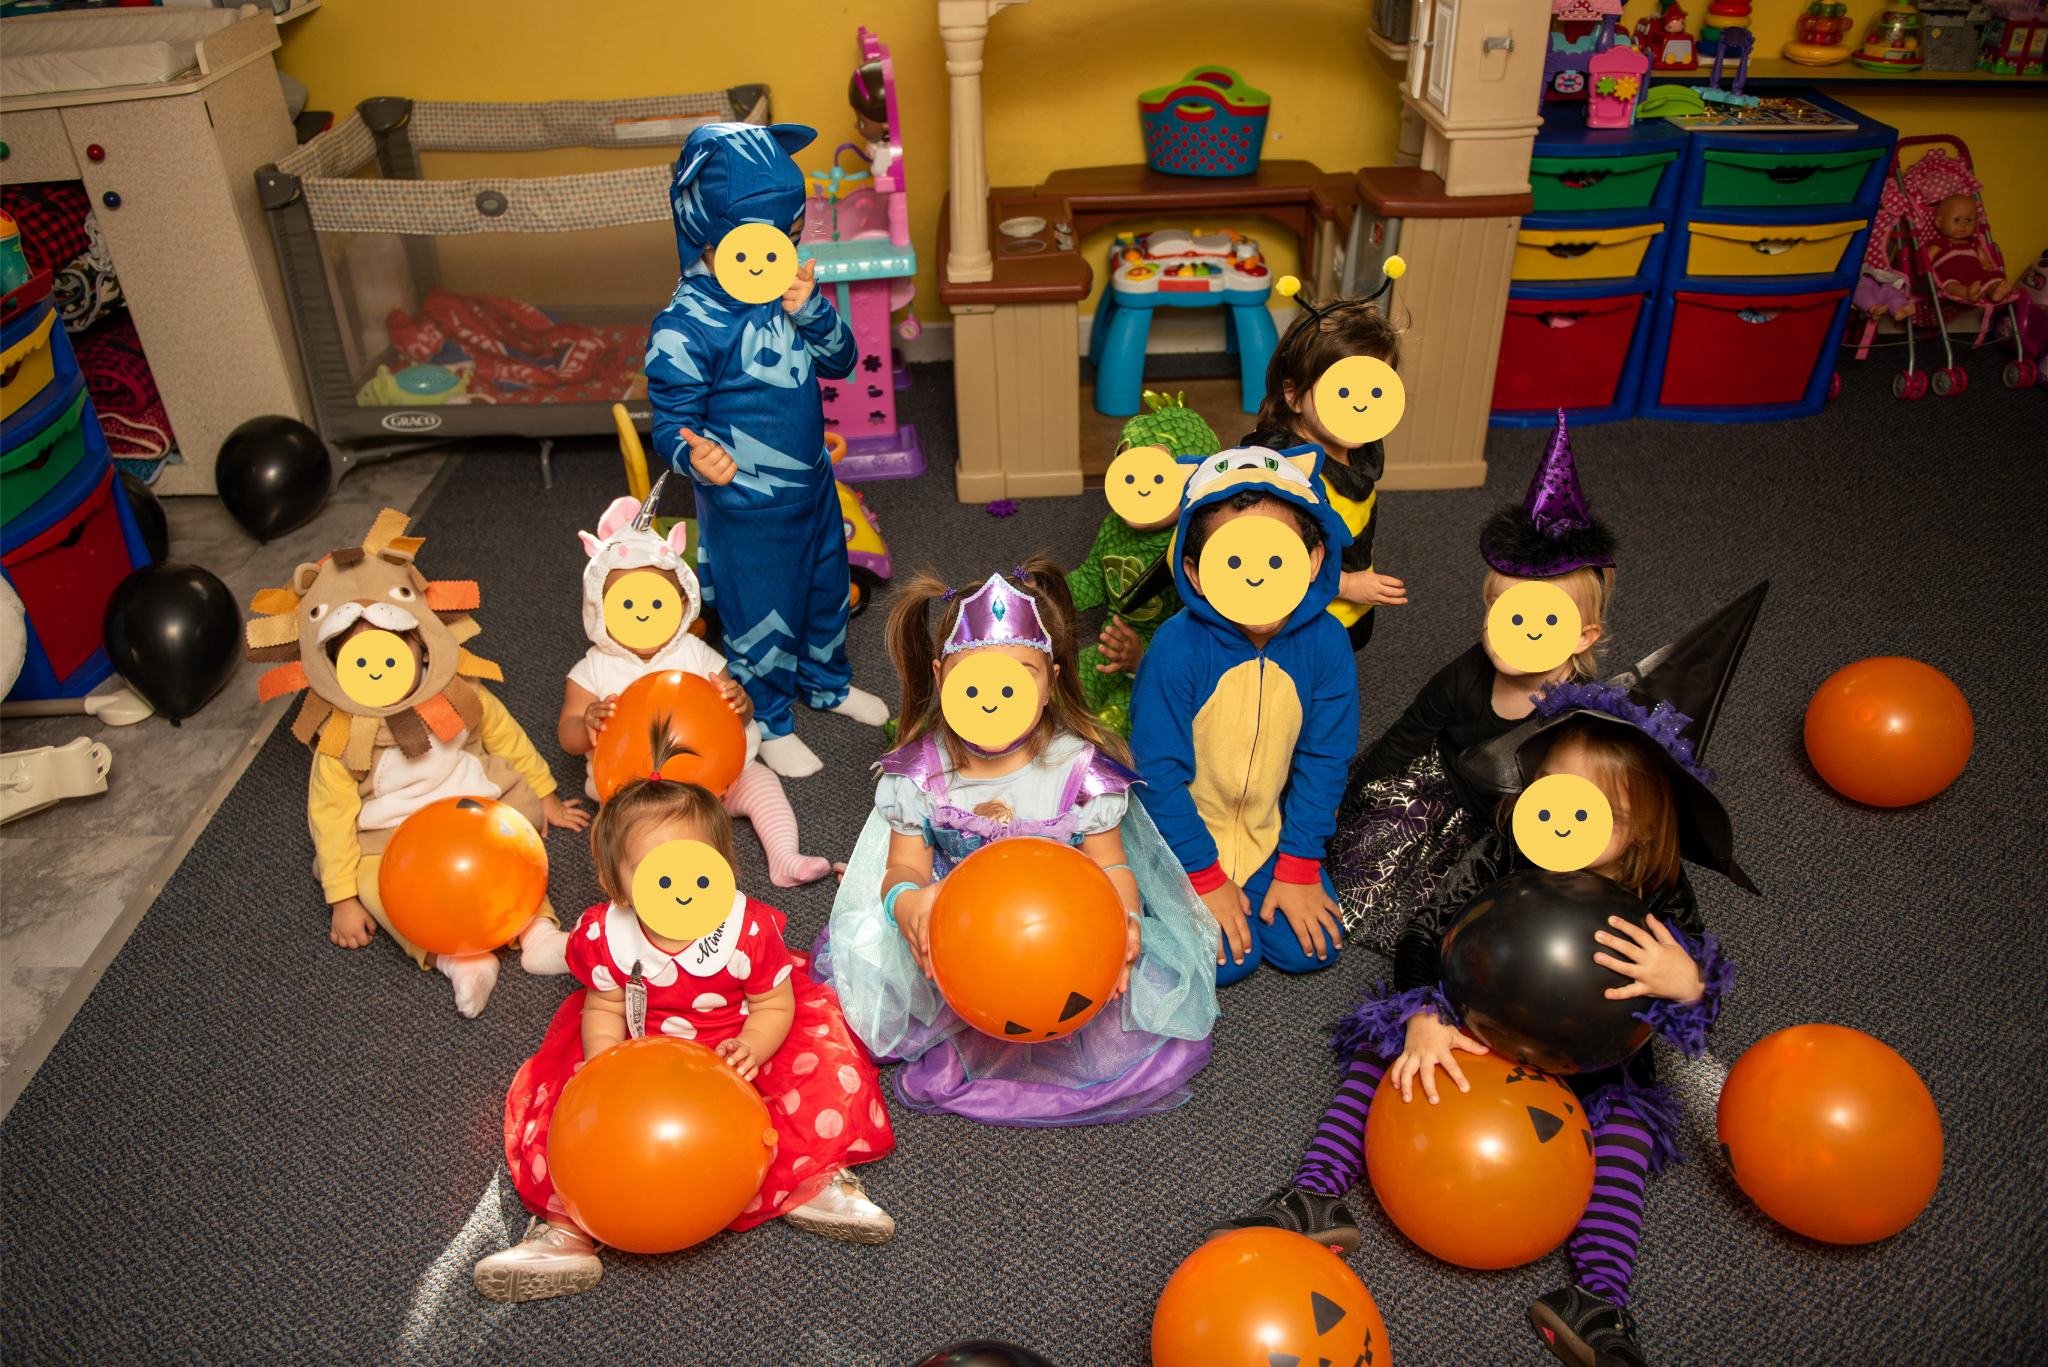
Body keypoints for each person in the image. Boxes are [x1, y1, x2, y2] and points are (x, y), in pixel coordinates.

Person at [1211, 586, 1769, 1367]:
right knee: (1384, 1052)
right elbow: (1425, 928)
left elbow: (1694, 1014)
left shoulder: (1663, 894)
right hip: (1474, 1020)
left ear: (1645, 822)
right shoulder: (1506, 851)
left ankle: (1599, 1293)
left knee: (1633, 1130)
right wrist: (1420, 1012)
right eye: (1556, 794)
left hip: (1593, 1062)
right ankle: (1316, 1188)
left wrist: (1687, 984)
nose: (1567, 819)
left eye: (1599, 810)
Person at [477, 746, 896, 1303]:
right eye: (656, 871)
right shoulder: (607, 936)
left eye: (696, 866)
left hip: (736, 1034)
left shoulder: (745, 931)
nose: (680, 887)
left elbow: (775, 1005)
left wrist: (752, 1046)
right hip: (640, 1045)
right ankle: (567, 1228)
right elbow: (602, 1008)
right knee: (576, 1115)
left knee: (816, 1073)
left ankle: (811, 1181)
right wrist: (605, 1064)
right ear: (616, 881)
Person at [816, 560, 1219, 1125]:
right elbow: (904, 866)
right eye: (972, 679)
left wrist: (1123, 923)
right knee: (874, 1009)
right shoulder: (918, 776)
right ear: (940, 678)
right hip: (958, 935)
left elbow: (1111, 864)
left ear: (1052, 679)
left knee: (1126, 1015)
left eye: (1020, 674)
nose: (991, 698)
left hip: (1063, 934)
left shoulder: (1079, 771)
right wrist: (904, 902)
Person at [246, 508, 585, 1018]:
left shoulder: (458, 695)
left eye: (394, 650)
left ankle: (538, 931)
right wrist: (342, 898)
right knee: (370, 881)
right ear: (332, 672)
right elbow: (331, 816)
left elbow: (507, 740)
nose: (379, 670)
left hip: (473, 807)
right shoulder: (340, 738)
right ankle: (455, 960)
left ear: (423, 646)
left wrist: (547, 795)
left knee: (518, 848)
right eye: (356, 660)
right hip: (393, 837)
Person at [644, 121, 890, 779]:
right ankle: (769, 716)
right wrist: (693, 455)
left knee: (825, 591)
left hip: (813, 486)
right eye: (760, 235)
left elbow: (842, 361)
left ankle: (827, 683)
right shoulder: (687, 321)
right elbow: (669, 424)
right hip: (747, 509)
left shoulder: (789, 289)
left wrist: (812, 309)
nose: (778, 248)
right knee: (761, 614)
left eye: (789, 232)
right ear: (709, 229)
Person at [1328, 410, 1615, 952]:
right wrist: (1352, 797)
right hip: (1441, 778)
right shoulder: (1467, 672)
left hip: (1511, 814)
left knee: (1464, 915)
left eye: (1544, 623)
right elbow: (1408, 735)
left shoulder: (1582, 712)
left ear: (1582, 637)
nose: (1515, 633)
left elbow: (1589, 796)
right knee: (1360, 855)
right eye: (1502, 614)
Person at [1129, 446, 1359, 985]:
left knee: (1313, 951)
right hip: (1180, 831)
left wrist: (1299, 863)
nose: (1256, 577)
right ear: (1197, 572)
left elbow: (1326, 757)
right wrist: (1204, 876)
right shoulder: (1176, 647)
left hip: (1264, 832)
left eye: (1276, 556)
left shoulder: (1327, 643)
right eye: (1234, 559)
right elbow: (1155, 773)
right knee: (1228, 964)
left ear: (1314, 561)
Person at [559, 481, 829, 886]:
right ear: (599, 609)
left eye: (657, 601)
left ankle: (784, 855)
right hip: (642, 794)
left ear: (683, 603)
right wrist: (587, 724)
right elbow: (568, 735)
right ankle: (649, 887)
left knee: (761, 782)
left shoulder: (695, 650)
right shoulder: (593, 668)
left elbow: (737, 710)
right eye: (627, 604)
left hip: (718, 780)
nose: (643, 614)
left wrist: (739, 700)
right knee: (629, 833)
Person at [1240, 292, 1409, 653]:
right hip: (1293, 620)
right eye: (1343, 391)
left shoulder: (1358, 449)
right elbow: (1266, 563)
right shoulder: (1283, 473)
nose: (1360, 405)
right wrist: (1347, 586)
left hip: (1342, 605)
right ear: (1294, 395)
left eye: (1375, 390)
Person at [1069, 393, 1218, 735]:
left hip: (1161, 667)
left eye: (1157, 477)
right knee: (1056, 688)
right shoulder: (1112, 527)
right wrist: (1048, 590)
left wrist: (1142, 658)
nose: (1139, 489)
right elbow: (1092, 579)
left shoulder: (1197, 545)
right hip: (1109, 650)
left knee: (1116, 728)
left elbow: (1202, 637)